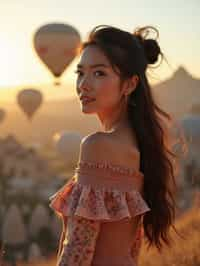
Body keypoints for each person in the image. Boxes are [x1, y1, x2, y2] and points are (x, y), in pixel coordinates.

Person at [49, 25, 187, 266]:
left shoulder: (98, 145)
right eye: (80, 73)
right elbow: (132, 243)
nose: (84, 84)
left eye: (99, 73)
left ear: (129, 85)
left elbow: (78, 249)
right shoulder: (142, 141)